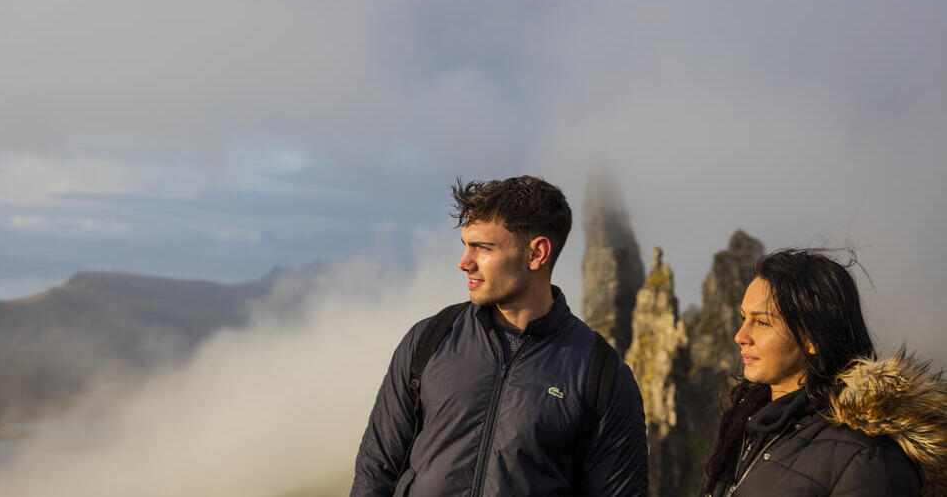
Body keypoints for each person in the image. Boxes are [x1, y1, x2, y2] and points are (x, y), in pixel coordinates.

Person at [351, 176, 648, 497]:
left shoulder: (601, 374)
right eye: (466, 245)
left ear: (537, 254)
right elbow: (375, 471)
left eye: (482, 247)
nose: (464, 262)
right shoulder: (429, 340)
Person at [701, 249, 947, 497]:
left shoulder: (868, 457)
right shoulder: (746, 429)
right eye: (743, 318)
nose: (740, 336)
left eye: (762, 322)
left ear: (813, 338)